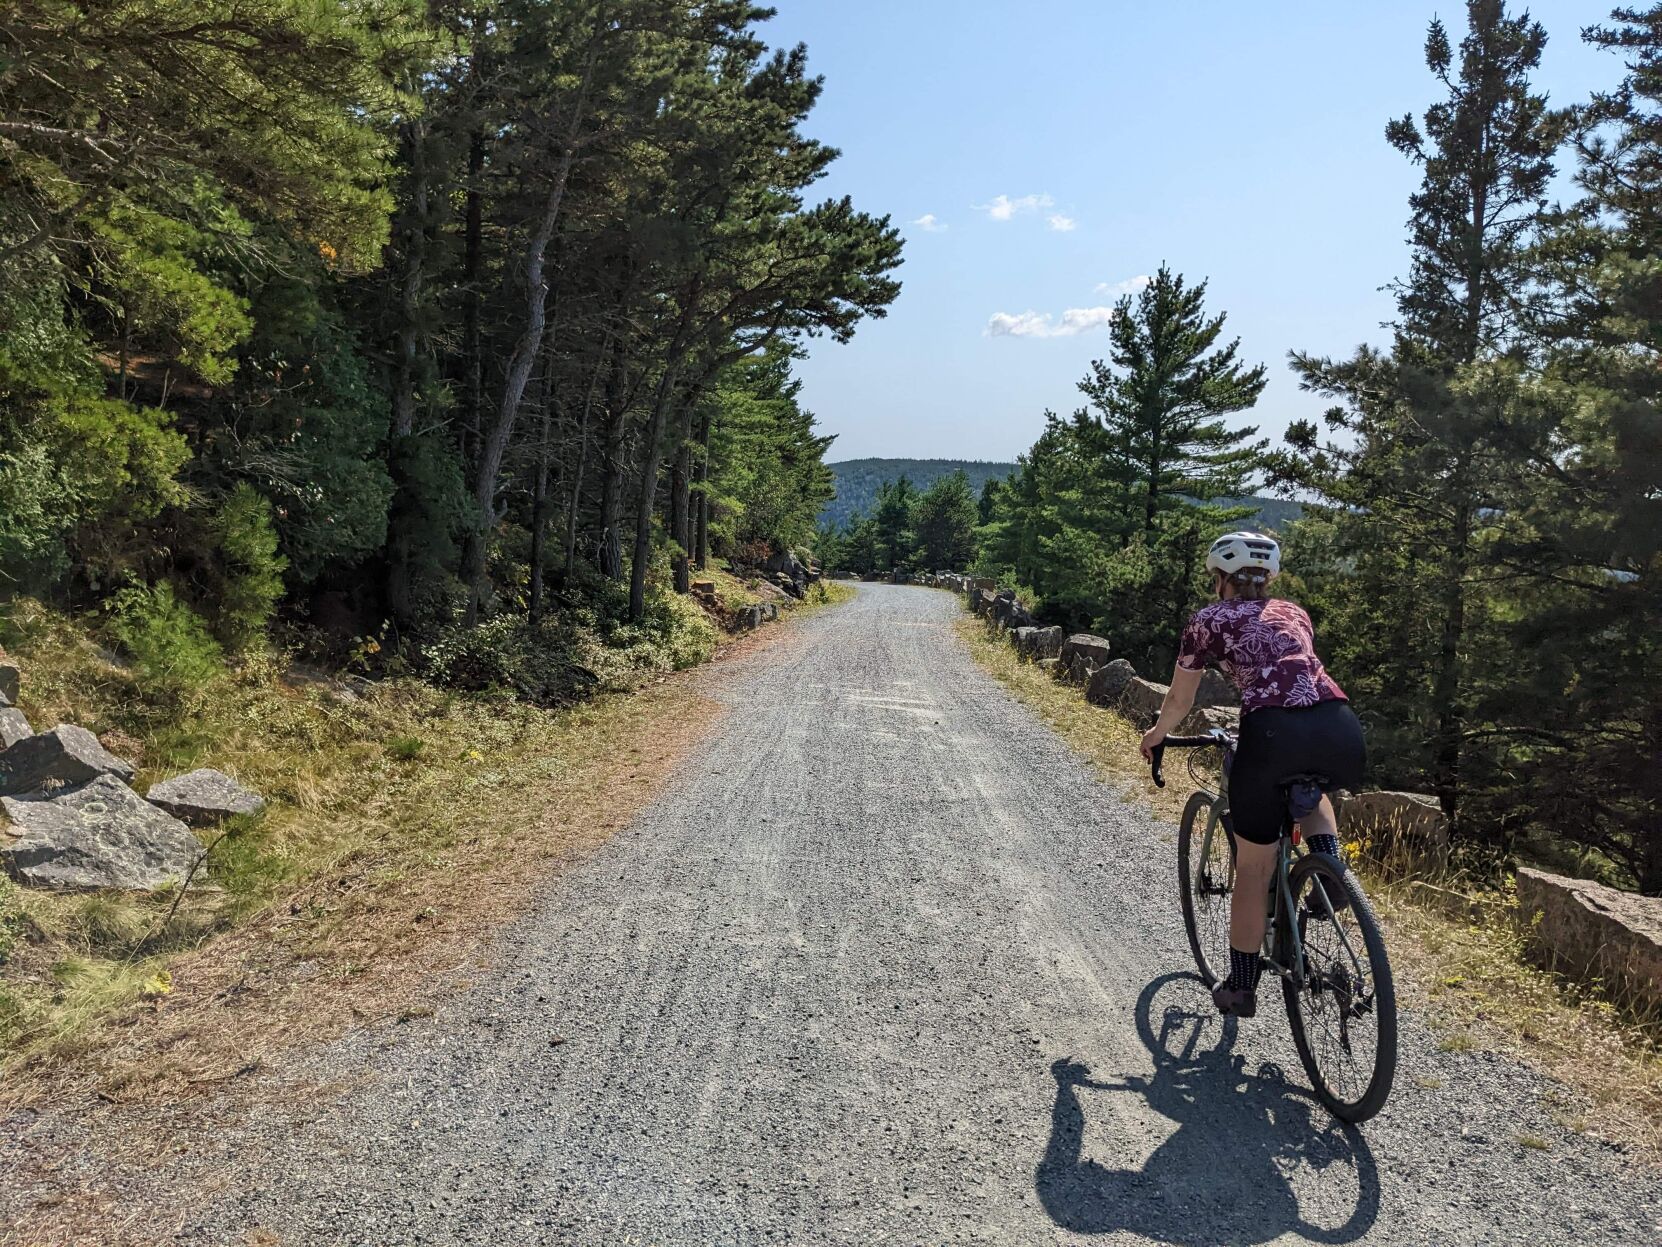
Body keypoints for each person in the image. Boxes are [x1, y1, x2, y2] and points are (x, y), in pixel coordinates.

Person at [1138, 531, 1365, 1018]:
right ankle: (1330, 872)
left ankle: (1240, 987)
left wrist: (1158, 734)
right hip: (1339, 724)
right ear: (1268, 578)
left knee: (1254, 869)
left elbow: (1182, 698)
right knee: (1313, 787)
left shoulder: (1207, 620)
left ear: (1220, 578)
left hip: (1270, 732)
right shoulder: (1295, 613)